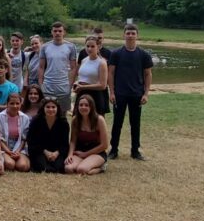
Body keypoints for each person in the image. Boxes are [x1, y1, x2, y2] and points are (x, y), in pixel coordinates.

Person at [107, 23, 153, 161]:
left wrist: (146, 93)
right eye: (128, 33)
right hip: (120, 94)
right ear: (124, 35)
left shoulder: (144, 55)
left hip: (136, 94)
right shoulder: (116, 54)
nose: (130, 36)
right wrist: (112, 92)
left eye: (133, 33)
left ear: (137, 36)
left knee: (135, 123)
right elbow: (111, 73)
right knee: (117, 123)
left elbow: (148, 74)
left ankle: (135, 151)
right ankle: (113, 150)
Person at [38, 21, 78, 115]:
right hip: (48, 85)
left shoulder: (71, 47)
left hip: (64, 86)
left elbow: (73, 68)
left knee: (62, 115)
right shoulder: (44, 47)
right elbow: (41, 67)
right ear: (52, 32)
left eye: (60, 31)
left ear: (64, 32)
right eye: (55, 31)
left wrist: (70, 85)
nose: (57, 33)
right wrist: (41, 84)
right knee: (47, 113)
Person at [65, 94, 109, 174]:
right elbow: (73, 141)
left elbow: (104, 145)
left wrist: (85, 154)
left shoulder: (99, 120)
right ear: (77, 107)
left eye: (86, 105)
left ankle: (101, 168)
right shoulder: (75, 120)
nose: (83, 107)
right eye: (81, 105)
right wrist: (70, 155)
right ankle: (84, 163)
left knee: (81, 170)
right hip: (80, 150)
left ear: (91, 107)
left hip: (96, 152)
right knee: (68, 169)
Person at [27, 97, 69, 173]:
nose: (50, 109)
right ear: (43, 108)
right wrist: (45, 152)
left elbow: (65, 143)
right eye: (48, 107)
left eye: (53, 107)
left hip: (57, 152)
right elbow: (31, 140)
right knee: (43, 167)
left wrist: (56, 153)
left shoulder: (63, 122)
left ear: (57, 108)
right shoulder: (36, 121)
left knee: (59, 167)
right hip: (40, 151)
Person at [74, 36, 109, 116]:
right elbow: (82, 77)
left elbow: (102, 85)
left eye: (92, 46)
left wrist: (83, 87)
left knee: (95, 123)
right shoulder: (84, 60)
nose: (89, 49)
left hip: (95, 95)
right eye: (87, 46)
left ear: (98, 47)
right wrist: (77, 83)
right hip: (82, 94)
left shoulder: (102, 63)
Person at [0, 92, 31, 172]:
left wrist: (17, 151)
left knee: (22, 166)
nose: (15, 106)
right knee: (10, 164)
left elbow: (23, 138)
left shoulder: (25, 118)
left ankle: (25, 160)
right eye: (12, 103)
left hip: (19, 147)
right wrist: (9, 151)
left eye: (17, 103)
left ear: (21, 104)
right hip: (4, 147)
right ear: (7, 104)